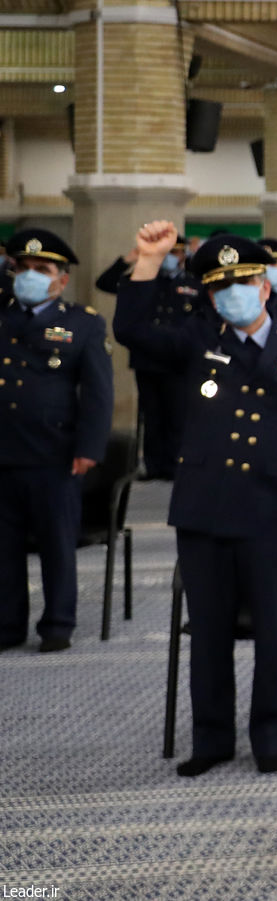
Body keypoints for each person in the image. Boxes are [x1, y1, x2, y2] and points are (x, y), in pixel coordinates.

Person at [116, 227, 277, 776]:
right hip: (205, 512)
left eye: (242, 282)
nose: (232, 294)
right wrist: (148, 261)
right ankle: (212, 739)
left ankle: (271, 737)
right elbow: (130, 329)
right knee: (210, 634)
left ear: (265, 287)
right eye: (219, 288)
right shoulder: (197, 340)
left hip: (274, 514)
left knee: (274, 633)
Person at [0, 230, 113, 652]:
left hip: (54, 454)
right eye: (22, 268)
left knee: (56, 546)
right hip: (3, 450)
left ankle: (58, 624)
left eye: (42, 270)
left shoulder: (82, 323)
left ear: (61, 280)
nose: (30, 276)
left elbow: (99, 394)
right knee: (4, 549)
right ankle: (7, 626)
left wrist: (90, 449)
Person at [94, 237, 199, 478]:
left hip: (178, 361)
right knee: (151, 416)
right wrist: (129, 260)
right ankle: (152, 465)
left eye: (175, 252)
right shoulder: (143, 281)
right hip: (148, 359)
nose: (170, 257)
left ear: (183, 255)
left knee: (177, 415)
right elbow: (105, 282)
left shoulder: (193, 283)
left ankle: (174, 464)